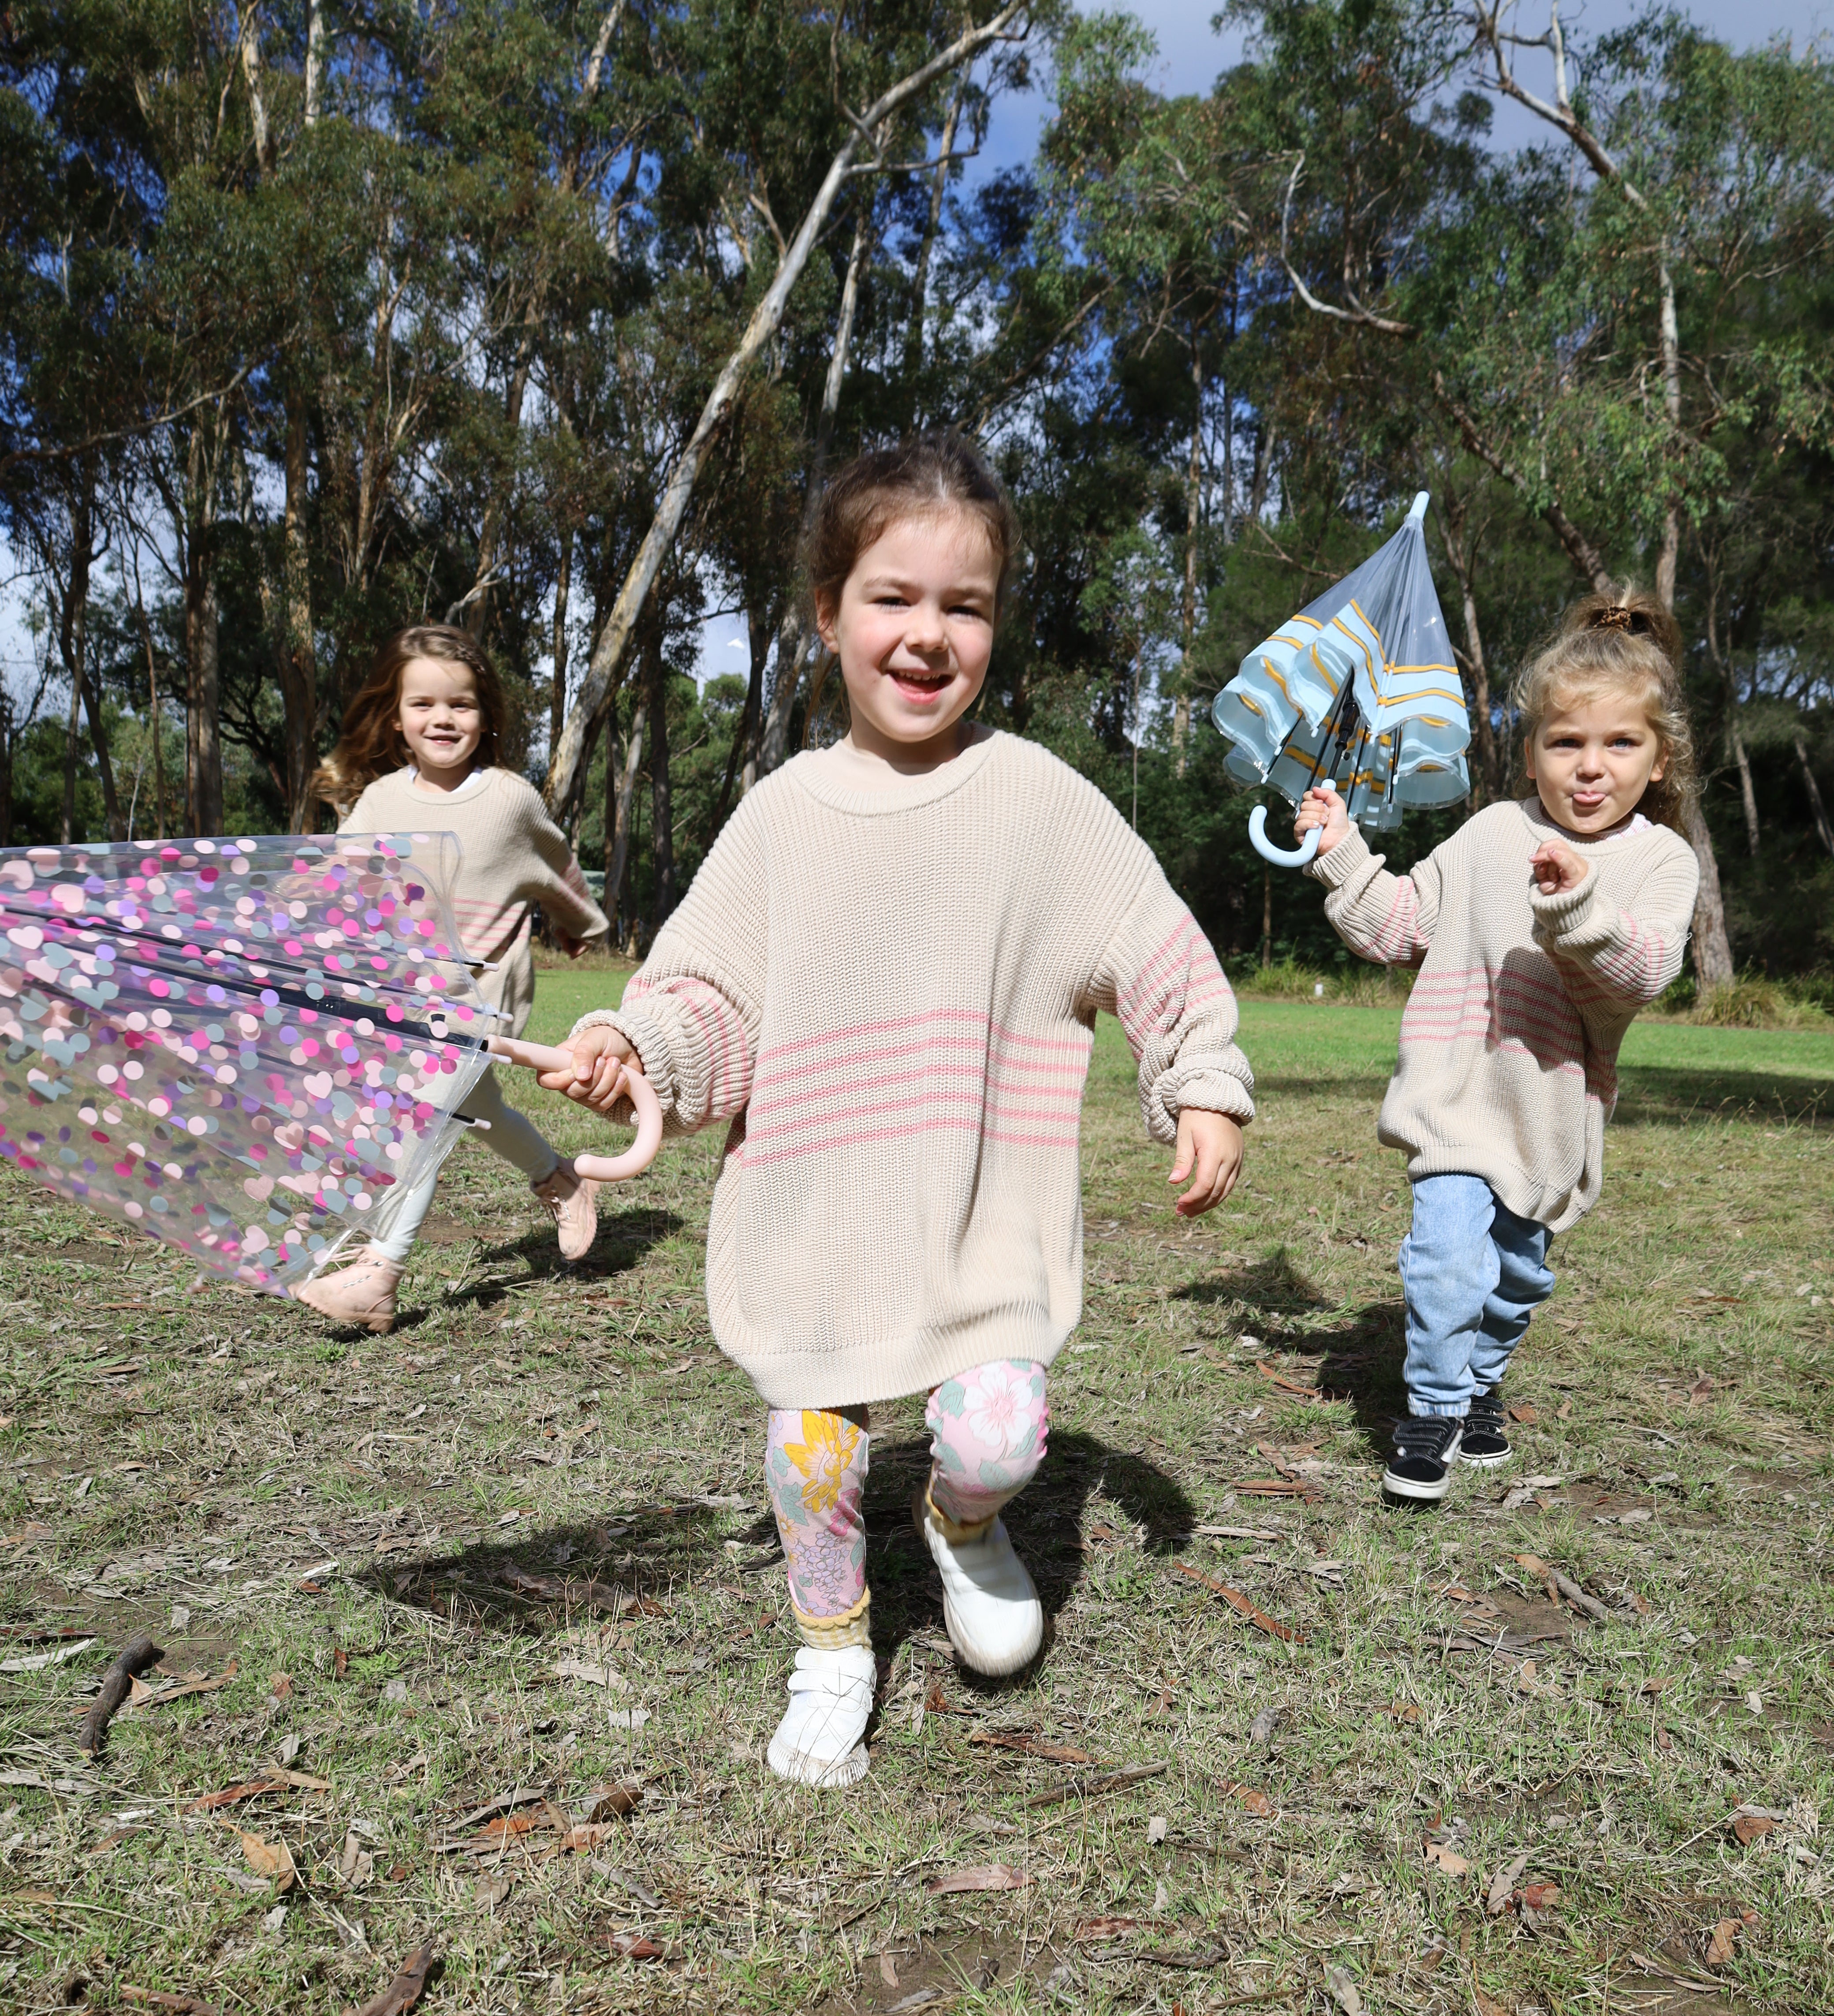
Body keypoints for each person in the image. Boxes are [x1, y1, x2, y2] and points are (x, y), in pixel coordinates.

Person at [543, 432, 1256, 1786]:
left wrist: (1203, 1082)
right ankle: (830, 1638)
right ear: (828, 614)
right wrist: (631, 1046)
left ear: (994, 625)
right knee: (814, 1446)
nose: (928, 637)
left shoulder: (1039, 801)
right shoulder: (780, 815)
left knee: (994, 1425)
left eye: (965, 606)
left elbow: (1152, 945)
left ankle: (957, 1519)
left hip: (982, 1211)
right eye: (893, 599)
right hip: (823, 1210)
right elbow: (708, 996)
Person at [1299, 588, 1702, 1501]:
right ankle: (1433, 1412)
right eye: (1564, 743)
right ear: (1530, 750)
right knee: (1445, 1259)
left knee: (1514, 1279)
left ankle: (1479, 1380)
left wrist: (1576, 904)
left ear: (1659, 758)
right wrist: (1340, 850)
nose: (1588, 768)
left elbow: (1640, 972)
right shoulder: (1491, 833)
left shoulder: (1661, 862)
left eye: (1618, 744)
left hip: (1548, 1121)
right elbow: (1402, 923)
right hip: (1455, 1103)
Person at [294, 625, 609, 1333]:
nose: (443, 719)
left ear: (487, 715)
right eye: (424, 704)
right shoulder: (377, 804)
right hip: (408, 999)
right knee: (478, 1106)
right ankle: (559, 1178)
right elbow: (338, 886)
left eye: (461, 705)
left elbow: (555, 865)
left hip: (483, 1002)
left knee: (429, 1115)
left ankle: (381, 1272)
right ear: (398, 716)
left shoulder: (507, 799)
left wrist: (581, 923)